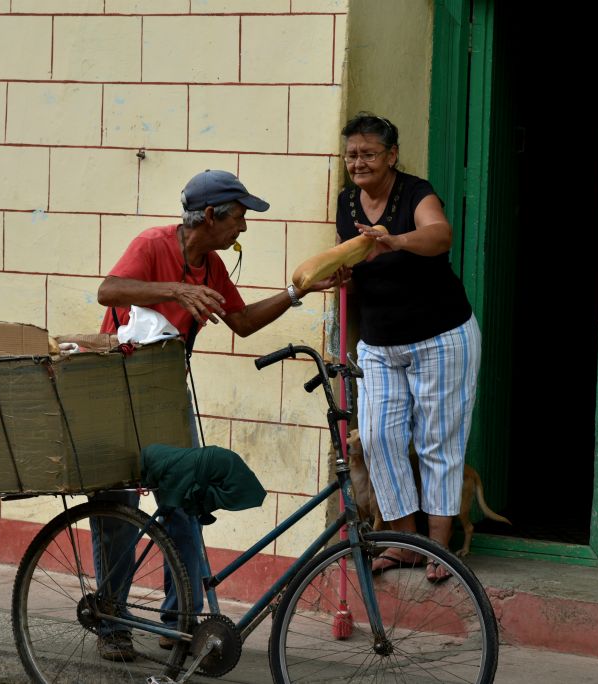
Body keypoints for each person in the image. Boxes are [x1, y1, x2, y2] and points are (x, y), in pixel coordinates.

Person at [92, 170, 341, 660]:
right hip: (115, 385)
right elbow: (109, 291)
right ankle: (110, 619)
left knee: (184, 498)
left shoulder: (210, 265)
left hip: (164, 389)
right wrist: (175, 291)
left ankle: (178, 619)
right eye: (239, 218)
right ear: (210, 215)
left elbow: (243, 323)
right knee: (119, 505)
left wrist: (300, 293)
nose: (242, 229)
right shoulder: (154, 244)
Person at [336, 113, 481, 583]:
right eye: (352, 154)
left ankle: (439, 547)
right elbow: (352, 267)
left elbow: (441, 235)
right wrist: (339, 277)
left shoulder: (417, 193)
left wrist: (394, 240)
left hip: (441, 336)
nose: (358, 162)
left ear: (392, 155)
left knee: (438, 440)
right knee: (378, 438)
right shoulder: (346, 202)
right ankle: (404, 542)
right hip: (379, 342)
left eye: (369, 153)